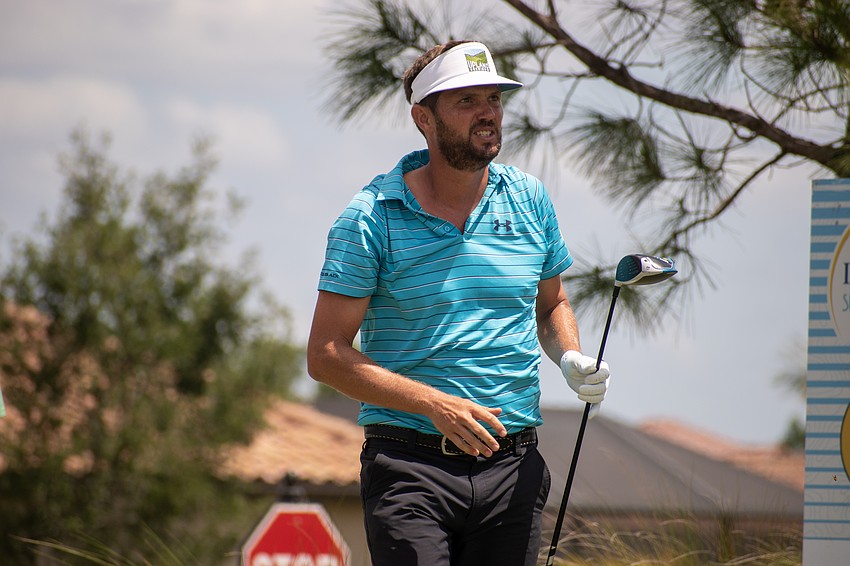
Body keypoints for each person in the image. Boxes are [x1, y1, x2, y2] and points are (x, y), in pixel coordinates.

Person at [307, 40, 611, 566]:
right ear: (423, 119)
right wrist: (434, 405)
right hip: (409, 469)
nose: (488, 112)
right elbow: (326, 354)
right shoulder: (370, 217)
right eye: (466, 101)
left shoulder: (530, 199)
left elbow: (551, 304)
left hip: (512, 465)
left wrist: (570, 357)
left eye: (493, 98)